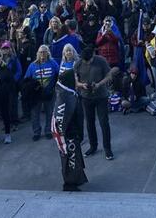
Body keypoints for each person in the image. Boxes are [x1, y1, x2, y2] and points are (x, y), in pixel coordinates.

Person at [52, 43, 87, 192]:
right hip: (69, 136)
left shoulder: (68, 93)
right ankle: (70, 183)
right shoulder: (66, 97)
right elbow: (62, 120)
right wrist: (74, 135)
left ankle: (76, 179)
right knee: (70, 160)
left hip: (72, 134)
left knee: (75, 159)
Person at [75, 45, 116, 160]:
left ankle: (107, 148)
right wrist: (81, 85)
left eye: (89, 61)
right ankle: (93, 146)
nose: (87, 63)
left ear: (93, 55)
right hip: (86, 97)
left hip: (101, 96)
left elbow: (109, 75)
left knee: (104, 122)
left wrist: (99, 84)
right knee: (89, 123)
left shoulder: (101, 61)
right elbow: (75, 80)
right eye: (85, 61)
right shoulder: (78, 63)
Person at [24, 44, 59, 141]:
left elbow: (59, 75)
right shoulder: (32, 65)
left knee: (50, 113)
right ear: (37, 54)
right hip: (36, 94)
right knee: (35, 114)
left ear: (48, 53)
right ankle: (36, 132)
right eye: (41, 52)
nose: (42, 54)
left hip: (49, 93)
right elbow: (26, 79)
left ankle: (48, 131)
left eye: (44, 52)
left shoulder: (53, 63)